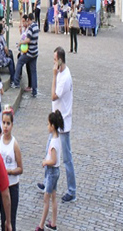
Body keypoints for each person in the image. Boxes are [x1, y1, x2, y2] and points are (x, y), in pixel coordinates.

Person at [37, 47, 76, 203]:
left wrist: (53, 76)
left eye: (54, 60)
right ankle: (47, 182)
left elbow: (54, 96)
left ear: (60, 60)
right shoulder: (61, 73)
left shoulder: (64, 77)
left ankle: (72, 190)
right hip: (56, 120)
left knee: (66, 157)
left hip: (63, 122)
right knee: (49, 150)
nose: (53, 64)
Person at [36, 110, 64, 231]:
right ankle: (53, 223)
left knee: (46, 198)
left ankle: (41, 225)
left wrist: (45, 162)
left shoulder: (53, 142)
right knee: (53, 197)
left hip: (52, 172)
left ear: (52, 126)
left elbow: (53, 160)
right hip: (55, 171)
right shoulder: (58, 138)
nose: (47, 126)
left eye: (48, 124)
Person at [0, 108, 23, 231]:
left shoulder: (14, 144)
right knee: (3, 218)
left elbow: (20, 168)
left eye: (8, 123)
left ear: (12, 125)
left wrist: (9, 171)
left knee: (11, 220)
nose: (5, 126)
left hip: (12, 185)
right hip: (2, 186)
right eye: (4, 123)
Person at [12, 13, 39, 97]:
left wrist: (20, 43)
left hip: (29, 52)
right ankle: (34, 90)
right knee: (33, 71)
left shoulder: (31, 28)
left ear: (29, 20)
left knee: (20, 62)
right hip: (35, 52)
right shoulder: (37, 26)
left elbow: (27, 39)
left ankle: (16, 81)